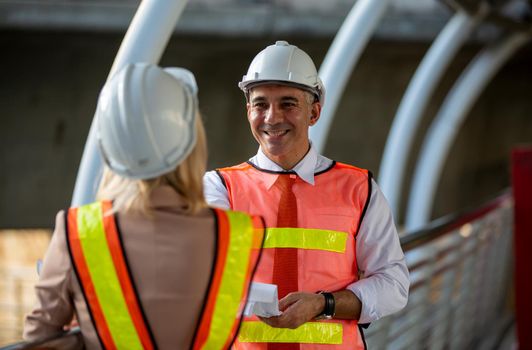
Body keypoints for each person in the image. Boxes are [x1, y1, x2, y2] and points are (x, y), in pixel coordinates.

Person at [24, 63, 265, 350]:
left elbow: (39, 340)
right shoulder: (237, 233)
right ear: (192, 140)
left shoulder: (78, 232)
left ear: (109, 146)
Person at [203, 41, 410, 349]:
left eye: (288, 104)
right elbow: (206, 278)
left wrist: (323, 304)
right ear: (249, 111)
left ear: (314, 112)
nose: (272, 118)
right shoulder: (220, 187)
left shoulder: (359, 188)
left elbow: (394, 285)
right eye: (260, 104)